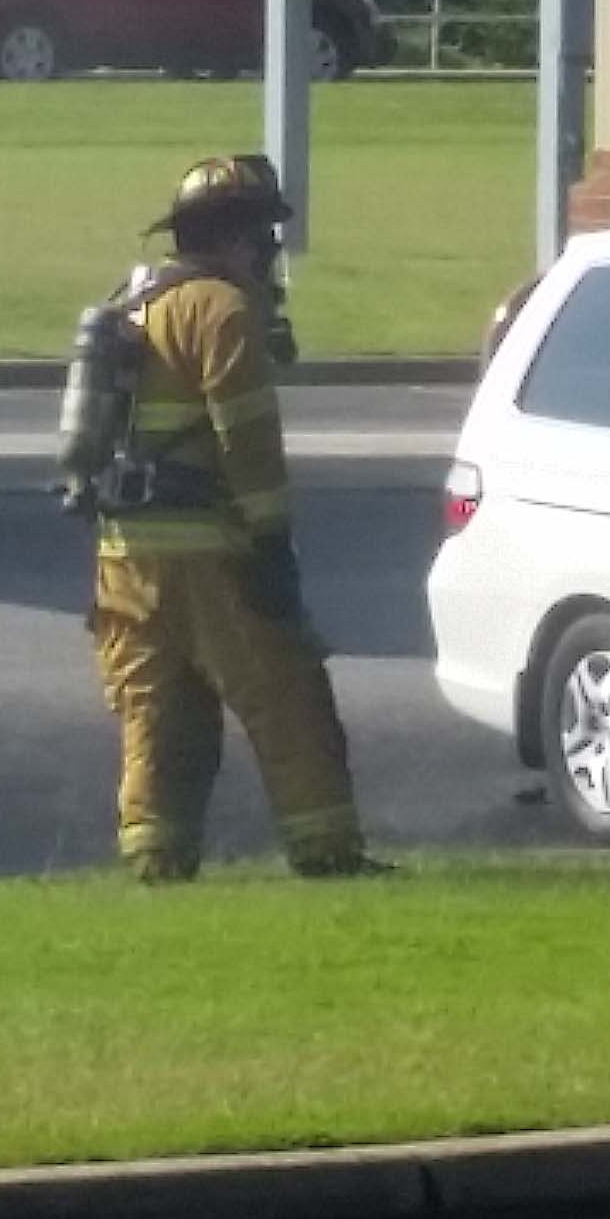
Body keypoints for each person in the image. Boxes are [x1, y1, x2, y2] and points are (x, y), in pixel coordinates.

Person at [65, 154, 374, 881]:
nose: (269, 255)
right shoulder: (221, 310)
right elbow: (245, 436)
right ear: (239, 238)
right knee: (285, 692)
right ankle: (326, 851)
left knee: (158, 713)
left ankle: (155, 860)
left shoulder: (136, 302)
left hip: (123, 553)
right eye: (264, 237)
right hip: (208, 552)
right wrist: (269, 541)